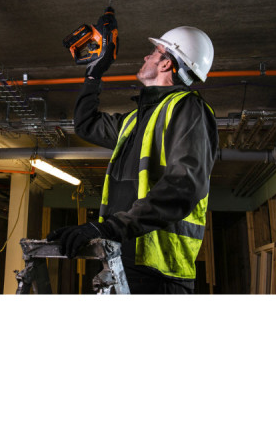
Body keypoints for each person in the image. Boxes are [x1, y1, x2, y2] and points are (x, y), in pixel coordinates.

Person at [47, 18, 219, 294]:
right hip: (120, 257)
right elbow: (86, 124)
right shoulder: (134, 121)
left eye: (154, 52)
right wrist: (94, 73)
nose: (146, 56)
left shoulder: (189, 109)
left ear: (166, 64)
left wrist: (109, 228)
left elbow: (183, 186)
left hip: (159, 271)